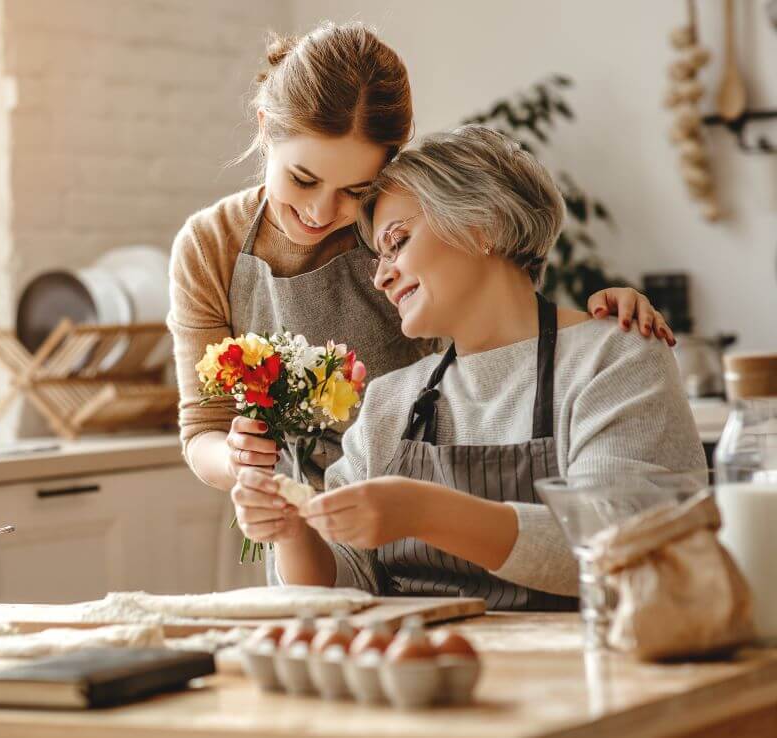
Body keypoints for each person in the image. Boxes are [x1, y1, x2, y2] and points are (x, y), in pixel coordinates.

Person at [167, 22, 674, 576]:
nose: (319, 212)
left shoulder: (606, 362)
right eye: (303, 179)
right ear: (266, 128)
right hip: (324, 546)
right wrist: (260, 484)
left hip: (414, 515)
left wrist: (596, 325)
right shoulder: (211, 248)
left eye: (356, 193)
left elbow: (500, 329)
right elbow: (204, 427)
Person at [235, 125, 705, 608]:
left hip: (583, 670)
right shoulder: (390, 400)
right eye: (378, 255)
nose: (380, 276)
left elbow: (623, 545)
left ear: (483, 224)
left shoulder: (613, 358)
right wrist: (292, 532)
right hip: (427, 674)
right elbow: (343, 582)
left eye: (397, 242)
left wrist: (424, 511)